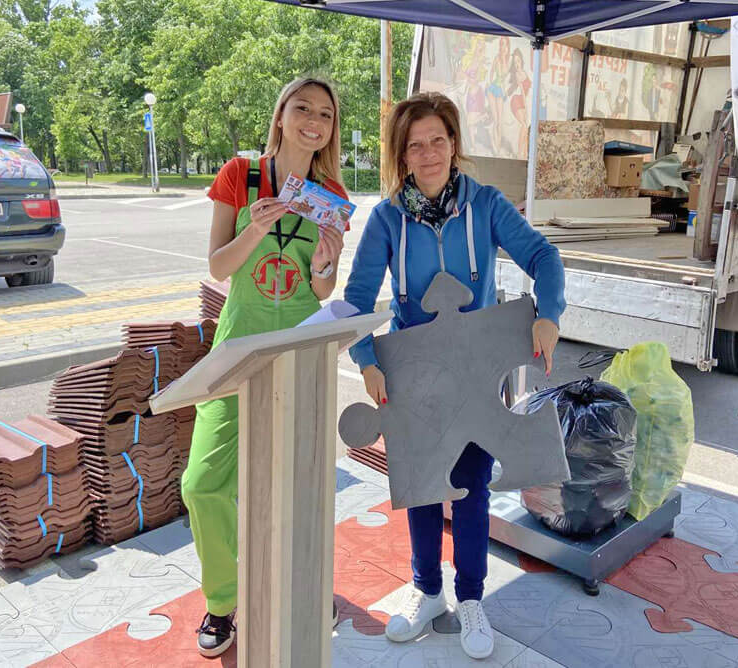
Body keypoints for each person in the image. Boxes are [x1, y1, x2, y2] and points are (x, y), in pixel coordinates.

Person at [343, 92, 566, 660]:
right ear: (402, 155)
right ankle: (427, 592)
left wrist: (548, 313)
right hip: (414, 380)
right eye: (415, 145)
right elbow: (358, 298)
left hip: (477, 376)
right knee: (421, 486)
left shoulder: (486, 205)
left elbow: (543, 257)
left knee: (472, 486)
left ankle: (470, 599)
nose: (428, 153)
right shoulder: (386, 219)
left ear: (453, 144)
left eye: (437, 141)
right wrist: (367, 360)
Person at [181, 77, 348, 658]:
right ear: (280, 115)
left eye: (325, 114)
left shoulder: (330, 194)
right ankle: (223, 600)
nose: (313, 121)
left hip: (301, 350)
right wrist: (255, 226)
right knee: (203, 483)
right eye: (302, 108)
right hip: (238, 349)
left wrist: (325, 263)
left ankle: (306, 585)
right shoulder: (240, 174)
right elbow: (219, 268)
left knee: (300, 484)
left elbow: (322, 289)